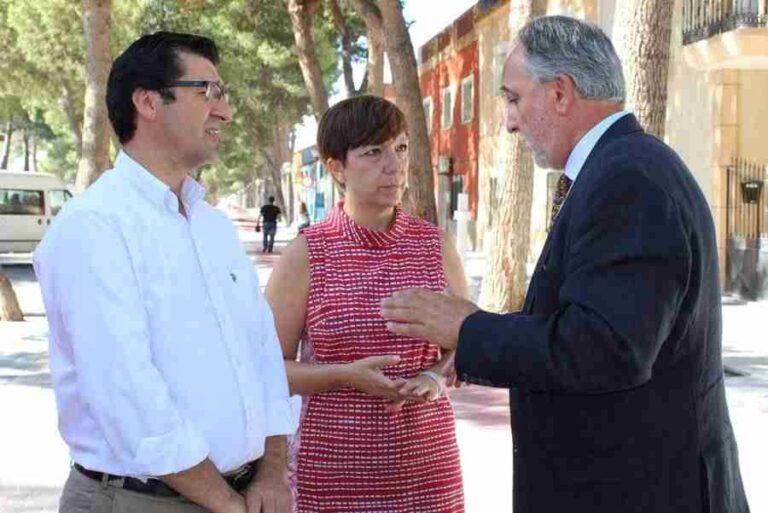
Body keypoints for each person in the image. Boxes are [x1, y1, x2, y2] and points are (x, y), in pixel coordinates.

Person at [381, 16, 750, 513]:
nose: (509, 122)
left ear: (560, 92)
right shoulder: (621, 169)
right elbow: (583, 325)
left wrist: (470, 330)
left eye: (513, 99)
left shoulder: (628, 180)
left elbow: (604, 349)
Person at [33, 32, 296, 513]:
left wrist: (272, 474)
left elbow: (262, 359)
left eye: (225, 95)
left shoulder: (212, 228)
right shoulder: (94, 227)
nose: (225, 112)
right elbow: (127, 396)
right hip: (139, 499)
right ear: (148, 102)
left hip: (240, 494)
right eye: (208, 93)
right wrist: (228, 503)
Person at [265, 95, 465, 512]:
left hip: (428, 468)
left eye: (401, 148)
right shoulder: (307, 254)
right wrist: (344, 376)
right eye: (374, 152)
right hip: (332, 471)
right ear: (336, 168)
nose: (394, 165)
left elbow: (465, 342)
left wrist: (434, 376)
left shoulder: (436, 246)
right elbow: (266, 369)